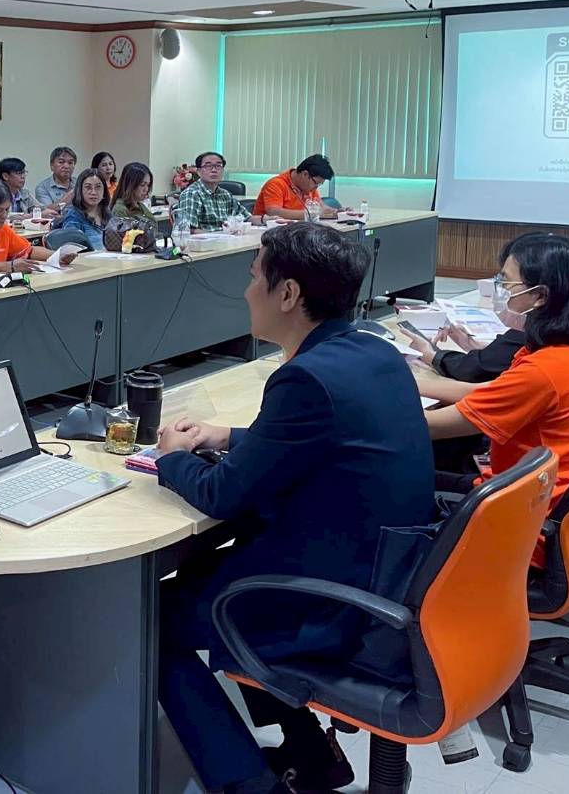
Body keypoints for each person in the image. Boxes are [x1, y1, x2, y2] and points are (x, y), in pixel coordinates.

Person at [155, 223, 433, 794]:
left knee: (150, 620)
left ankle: (249, 784)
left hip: (332, 597)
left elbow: (221, 494)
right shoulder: (374, 351)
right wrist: (227, 435)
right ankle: (310, 754)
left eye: (254, 276)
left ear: (287, 294)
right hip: (388, 575)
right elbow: (321, 438)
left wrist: (171, 458)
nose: (246, 290)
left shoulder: (304, 377)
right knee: (204, 572)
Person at [422, 233, 569, 508]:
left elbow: (430, 427)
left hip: (521, 508)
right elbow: (490, 392)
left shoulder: (544, 370)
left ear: (540, 296)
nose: (500, 290)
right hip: (541, 493)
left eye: (505, 282)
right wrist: (409, 380)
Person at [175, 150, 251, 232]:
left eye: (218, 166)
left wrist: (261, 220)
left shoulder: (225, 194)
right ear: (199, 172)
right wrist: (219, 237)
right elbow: (188, 229)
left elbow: (247, 217)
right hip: (206, 239)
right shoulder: (192, 194)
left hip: (227, 237)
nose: (214, 170)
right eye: (208, 166)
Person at [253, 154, 338, 221]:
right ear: (305, 174)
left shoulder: (309, 187)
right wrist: (311, 214)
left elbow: (322, 207)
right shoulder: (276, 184)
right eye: (316, 183)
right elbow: (273, 212)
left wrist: (337, 212)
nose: (316, 188)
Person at [56, 170, 111, 251]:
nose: (93, 192)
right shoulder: (73, 215)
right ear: (80, 190)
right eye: (88, 187)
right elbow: (69, 249)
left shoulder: (107, 214)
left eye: (98, 187)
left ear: (104, 191)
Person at [109, 161, 157, 232]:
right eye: (142, 185)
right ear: (130, 185)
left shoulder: (140, 205)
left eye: (148, 185)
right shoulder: (120, 210)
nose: (146, 189)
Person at [33, 146, 77, 211]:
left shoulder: (80, 183)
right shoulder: (42, 188)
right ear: (52, 166)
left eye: (70, 163)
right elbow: (46, 211)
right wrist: (67, 198)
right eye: (61, 162)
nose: (66, 166)